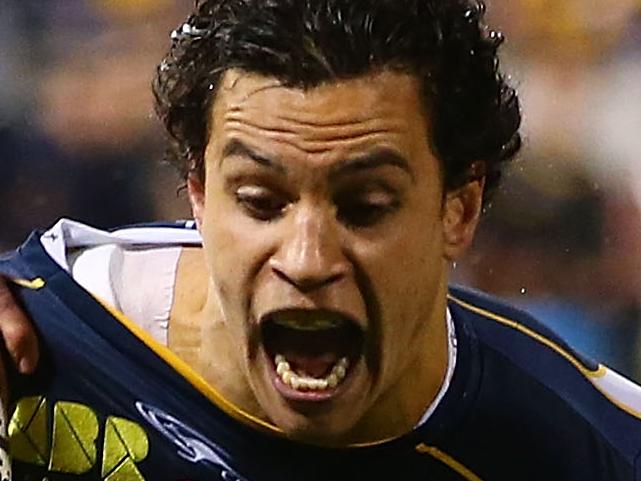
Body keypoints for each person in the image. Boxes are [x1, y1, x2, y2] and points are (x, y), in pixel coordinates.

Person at [2, 0, 641, 479]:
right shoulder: (36, 345)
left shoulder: (586, 446)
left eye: (364, 207)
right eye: (259, 201)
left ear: (460, 210)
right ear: (198, 194)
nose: (307, 260)